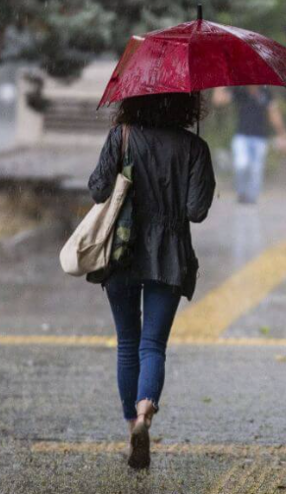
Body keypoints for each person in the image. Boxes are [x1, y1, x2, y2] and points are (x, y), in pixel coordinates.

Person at [88, 92, 216, 469]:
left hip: (121, 250)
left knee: (128, 343)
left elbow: (97, 189)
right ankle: (146, 412)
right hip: (169, 255)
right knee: (153, 346)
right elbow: (197, 211)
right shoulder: (194, 146)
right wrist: (195, 161)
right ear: (185, 105)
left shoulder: (121, 136)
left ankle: (132, 429)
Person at [228, 86, 286, 204]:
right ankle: (241, 192)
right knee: (242, 164)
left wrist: (282, 134)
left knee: (256, 170)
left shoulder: (266, 93)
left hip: (260, 137)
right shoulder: (240, 91)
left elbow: (273, 113)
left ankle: (252, 197)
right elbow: (219, 100)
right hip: (242, 136)